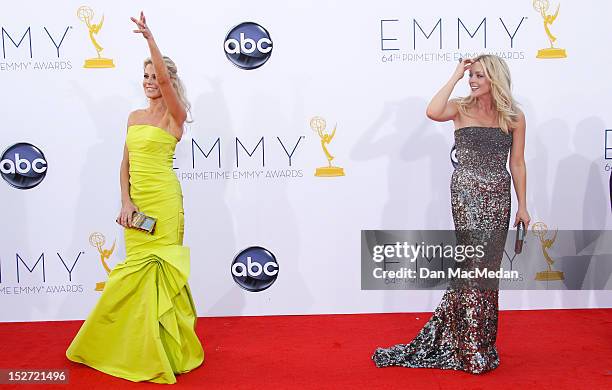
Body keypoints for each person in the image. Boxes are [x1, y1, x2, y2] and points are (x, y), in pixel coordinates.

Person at [66, 12, 204, 384]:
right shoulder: (133, 117)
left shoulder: (176, 116)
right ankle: (130, 347)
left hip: (165, 202)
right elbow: (124, 166)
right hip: (138, 206)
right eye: (143, 78)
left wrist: (150, 40)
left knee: (161, 276)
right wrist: (126, 203)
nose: (149, 83)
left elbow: (162, 74)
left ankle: (168, 351)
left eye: (155, 77)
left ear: (169, 82)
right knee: (132, 278)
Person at [372, 54, 530, 374]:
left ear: (495, 80)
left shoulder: (513, 116)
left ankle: (480, 341)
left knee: (488, 271)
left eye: (479, 76)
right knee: (471, 264)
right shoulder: (460, 107)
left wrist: (524, 205)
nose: (473, 80)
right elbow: (432, 111)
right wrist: (455, 74)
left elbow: (517, 163)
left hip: (499, 196)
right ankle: (469, 347)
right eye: (471, 75)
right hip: (467, 194)